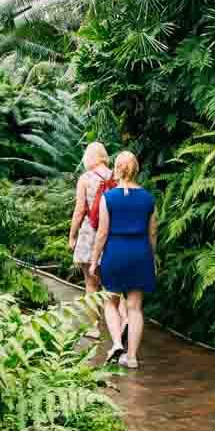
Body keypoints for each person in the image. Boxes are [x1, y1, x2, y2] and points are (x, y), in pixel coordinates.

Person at [90, 151, 156, 369]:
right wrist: (152, 258)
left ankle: (117, 342)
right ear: (136, 170)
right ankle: (132, 357)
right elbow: (152, 234)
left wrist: (93, 260)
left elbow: (102, 233)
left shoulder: (109, 198)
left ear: (117, 169)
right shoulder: (149, 199)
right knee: (135, 307)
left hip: (115, 252)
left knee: (110, 301)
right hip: (140, 253)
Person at [68, 142, 123, 339]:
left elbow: (80, 210)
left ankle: (93, 327)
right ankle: (116, 325)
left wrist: (72, 235)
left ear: (89, 158)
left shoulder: (85, 179)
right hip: (113, 234)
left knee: (91, 283)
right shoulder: (117, 177)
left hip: (90, 234)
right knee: (113, 284)